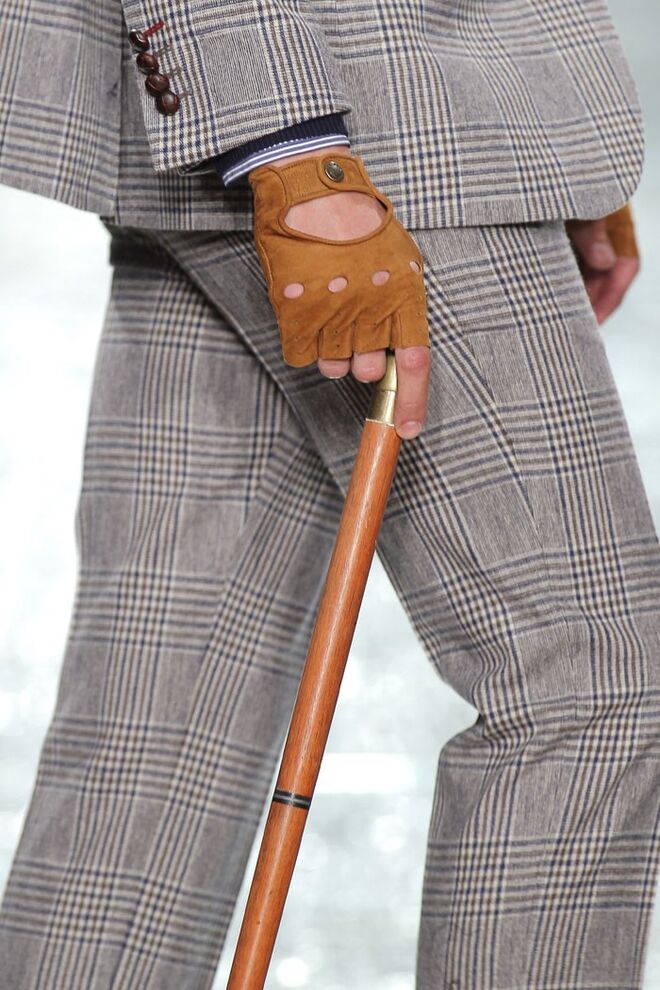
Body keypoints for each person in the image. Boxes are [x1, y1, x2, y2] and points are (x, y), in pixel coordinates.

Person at [0, 1, 656, 988]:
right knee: (588, 679)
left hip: (345, 109)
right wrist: (292, 148)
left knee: (163, 730)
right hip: (360, 119)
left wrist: (540, 121)